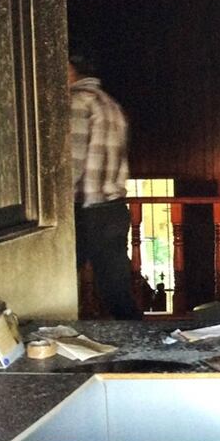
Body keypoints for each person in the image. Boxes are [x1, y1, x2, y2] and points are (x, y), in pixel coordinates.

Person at [69, 51, 140, 320]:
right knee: (117, 290)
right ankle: (141, 351)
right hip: (113, 208)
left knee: (56, 281)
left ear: (70, 68)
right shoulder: (112, 104)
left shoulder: (77, 102)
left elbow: (71, 163)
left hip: (86, 210)